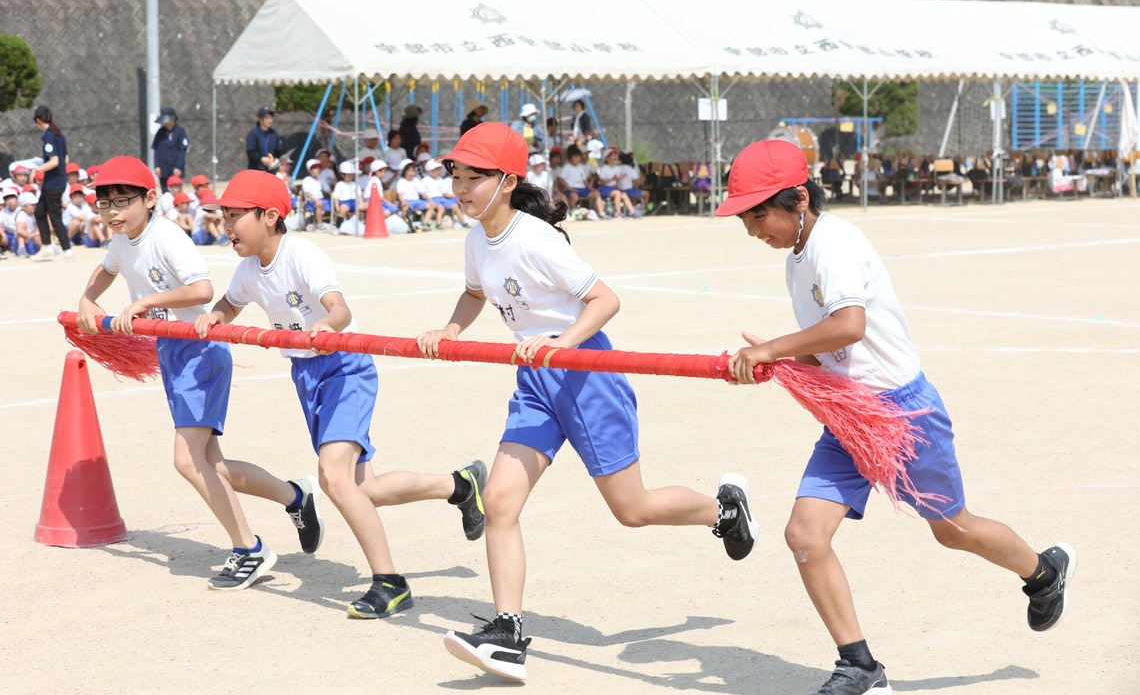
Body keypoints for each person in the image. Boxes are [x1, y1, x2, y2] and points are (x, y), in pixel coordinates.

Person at [716, 139, 1076, 695]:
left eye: (759, 213)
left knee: (953, 531)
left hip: (905, 413)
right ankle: (859, 665)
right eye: (745, 216)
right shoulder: (797, 257)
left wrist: (771, 350)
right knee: (805, 535)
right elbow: (831, 350)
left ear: (801, 200)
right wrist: (781, 361)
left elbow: (849, 327)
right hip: (851, 413)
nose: (752, 228)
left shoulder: (833, 244)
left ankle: (1043, 574)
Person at [417, 123, 757, 682]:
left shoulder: (534, 239)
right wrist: (450, 329)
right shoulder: (478, 239)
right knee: (500, 502)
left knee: (633, 510)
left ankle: (724, 510)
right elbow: (476, 292)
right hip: (535, 380)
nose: (460, 188)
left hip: (586, 374)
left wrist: (562, 343)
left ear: (506, 181)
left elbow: (605, 299)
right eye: (456, 176)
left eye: (472, 178)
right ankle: (507, 633)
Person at [194, 169, 488, 618]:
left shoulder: (301, 254)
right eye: (224, 216)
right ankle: (459, 485)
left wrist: (325, 327)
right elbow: (231, 303)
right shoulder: (248, 269)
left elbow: (340, 308)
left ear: (270, 216)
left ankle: (390, 582)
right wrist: (216, 316)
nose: (226, 225)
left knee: (333, 475)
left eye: (236, 216)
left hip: (345, 367)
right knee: (362, 488)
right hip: (306, 374)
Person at [75, 155, 323, 591]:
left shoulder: (166, 236)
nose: (112, 212)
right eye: (104, 203)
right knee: (213, 465)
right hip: (172, 350)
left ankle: (250, 548)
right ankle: (295, 495)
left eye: (122, 201)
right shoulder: (121, 240)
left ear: (149, 199)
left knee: (187, 460)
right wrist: (87, 299)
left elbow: (203, 290)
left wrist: (147, 303)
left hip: (200, 351)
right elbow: (107, 268)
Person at [30, 105, 72, 261]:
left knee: (55, 217)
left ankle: (67, 250)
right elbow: (65, 159)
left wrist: (37, 170)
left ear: (38, 120)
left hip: (53, 183)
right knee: (39, 213)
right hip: (56, 181)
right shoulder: (59, 134)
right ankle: (47, 247)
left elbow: (54, 161)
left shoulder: (48, 135)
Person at [152, 106, 189, 193]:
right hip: (163, 170)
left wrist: (178, 167)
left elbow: (182, 151)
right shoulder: (160, 132)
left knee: (176, 193)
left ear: (173, 119)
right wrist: (156, 166)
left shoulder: (180, 131)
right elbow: (156, 149)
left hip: (175, 170)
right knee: (166, 193)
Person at [245, 105, 284, 172]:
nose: (270, 120)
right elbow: (250, 152)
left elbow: (279, 150)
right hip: (256, 170)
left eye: (271, 118)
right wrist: (261, 159)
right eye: (267, 118)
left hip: (271, 170)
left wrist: (278, 159)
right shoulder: (253, 134)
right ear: (259, 119)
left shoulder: (274, 134)